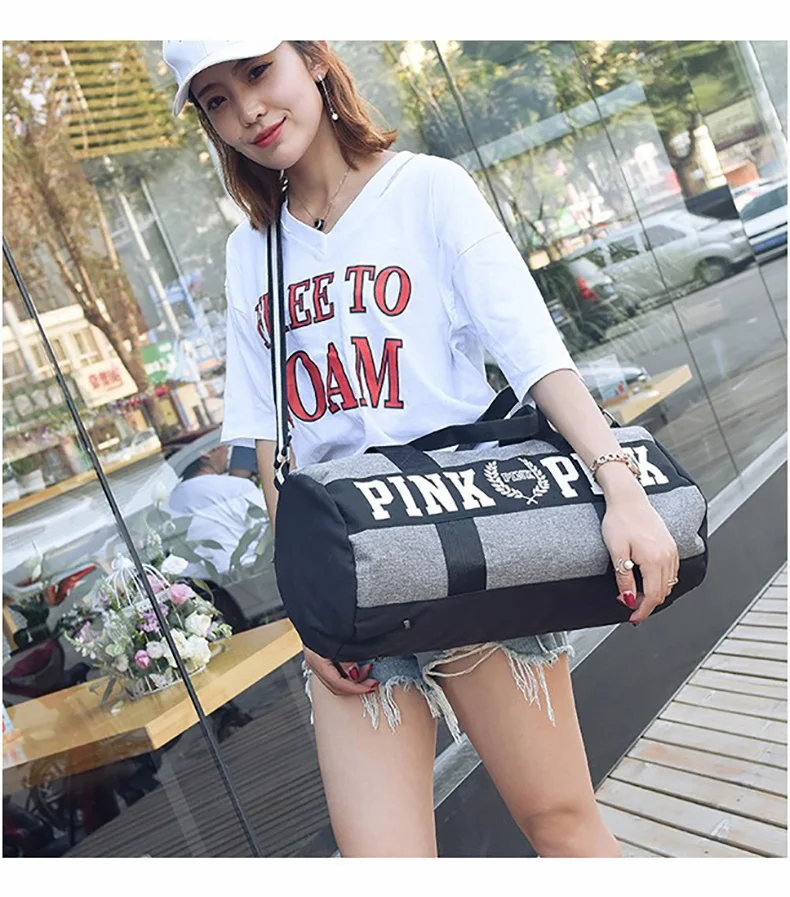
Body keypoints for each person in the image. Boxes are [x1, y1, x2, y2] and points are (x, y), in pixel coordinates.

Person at [162, 40, 679, 858]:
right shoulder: (249, 252)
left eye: (258, 72)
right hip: (350, 578)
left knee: (561, 825)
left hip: (464, 539)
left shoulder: (427, 190)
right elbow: (271, 446)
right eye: (216, 99)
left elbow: (534, 354)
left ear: (315, 60)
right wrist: (308, 613)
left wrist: (621, 487)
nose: (247, 110)